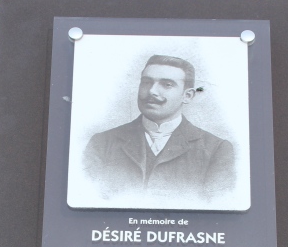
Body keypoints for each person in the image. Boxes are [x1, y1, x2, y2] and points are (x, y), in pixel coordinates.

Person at [82, 54, 235, 202]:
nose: (152, 91)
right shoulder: (101, 143)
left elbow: (216, 211)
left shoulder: (216, 150)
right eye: (147, 82)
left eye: (167, 84)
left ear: (187, 96)